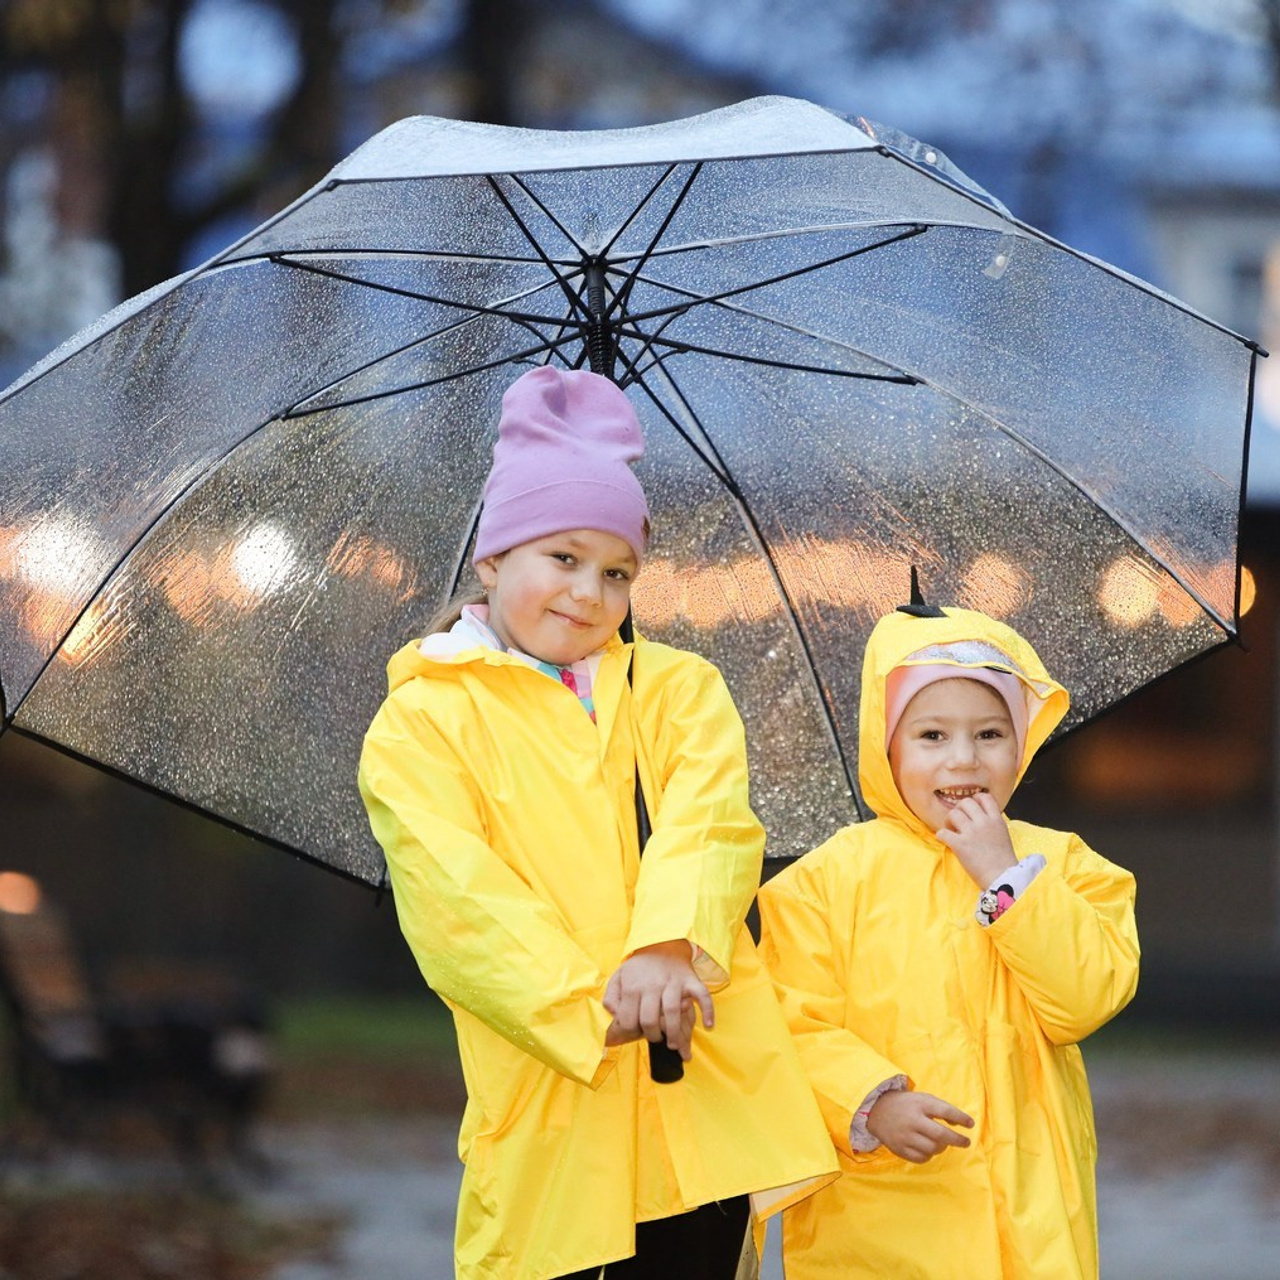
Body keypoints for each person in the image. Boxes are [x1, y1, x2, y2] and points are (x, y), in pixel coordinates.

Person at [359, 365, 837, 1280]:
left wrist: (667, 947)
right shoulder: (423, 722)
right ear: (493, 560)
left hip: (700, 1101)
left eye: (617, 572)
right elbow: (459, 902)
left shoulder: (677, 689)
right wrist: (590, 1009)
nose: (589, 592)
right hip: (555, 1106)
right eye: (564, 557)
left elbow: (712, 826)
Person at [757, 601, 1140, 1279]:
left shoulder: (1066, 865)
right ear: (887, 747)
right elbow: (784, 1025)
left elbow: (1085, 998)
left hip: (1032, 1226)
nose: (964, 759)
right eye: (931, 735)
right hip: (882, 1229)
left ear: (1022, 744)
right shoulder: (821, 883)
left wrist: (1006, 878)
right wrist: (870, 1101)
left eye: (990, 733)